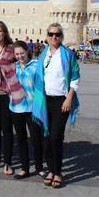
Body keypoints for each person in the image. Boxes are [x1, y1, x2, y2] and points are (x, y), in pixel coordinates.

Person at [32, 23, 80, 188]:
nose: (54, 37)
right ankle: (51, 170)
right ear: (47, 36)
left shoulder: (67, 54)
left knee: (55, 138)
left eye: (57, 35)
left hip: (61, 101)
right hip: (45, 101)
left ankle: (58, 172)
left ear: (61, 37)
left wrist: (69, 98)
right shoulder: (44, 54)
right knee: (45, 138)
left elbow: (75, 75)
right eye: (51, 34)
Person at [0, 21, 26, 175]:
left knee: (7, 129)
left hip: (7, 94)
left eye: (0, 31)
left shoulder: (11, 49)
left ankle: (8, 162)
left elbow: (20, 66)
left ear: (5, 32)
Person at [9, 41, 45, 179]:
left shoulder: (36, 65)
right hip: (16, 108)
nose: (20, 56)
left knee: (36, 140)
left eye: (22, 53)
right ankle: (25, 168)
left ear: (27, 51)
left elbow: (41, 86)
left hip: (32, 108)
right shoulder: (13, 67)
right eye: (17, 54)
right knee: (21, 139)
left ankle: (39, 168)